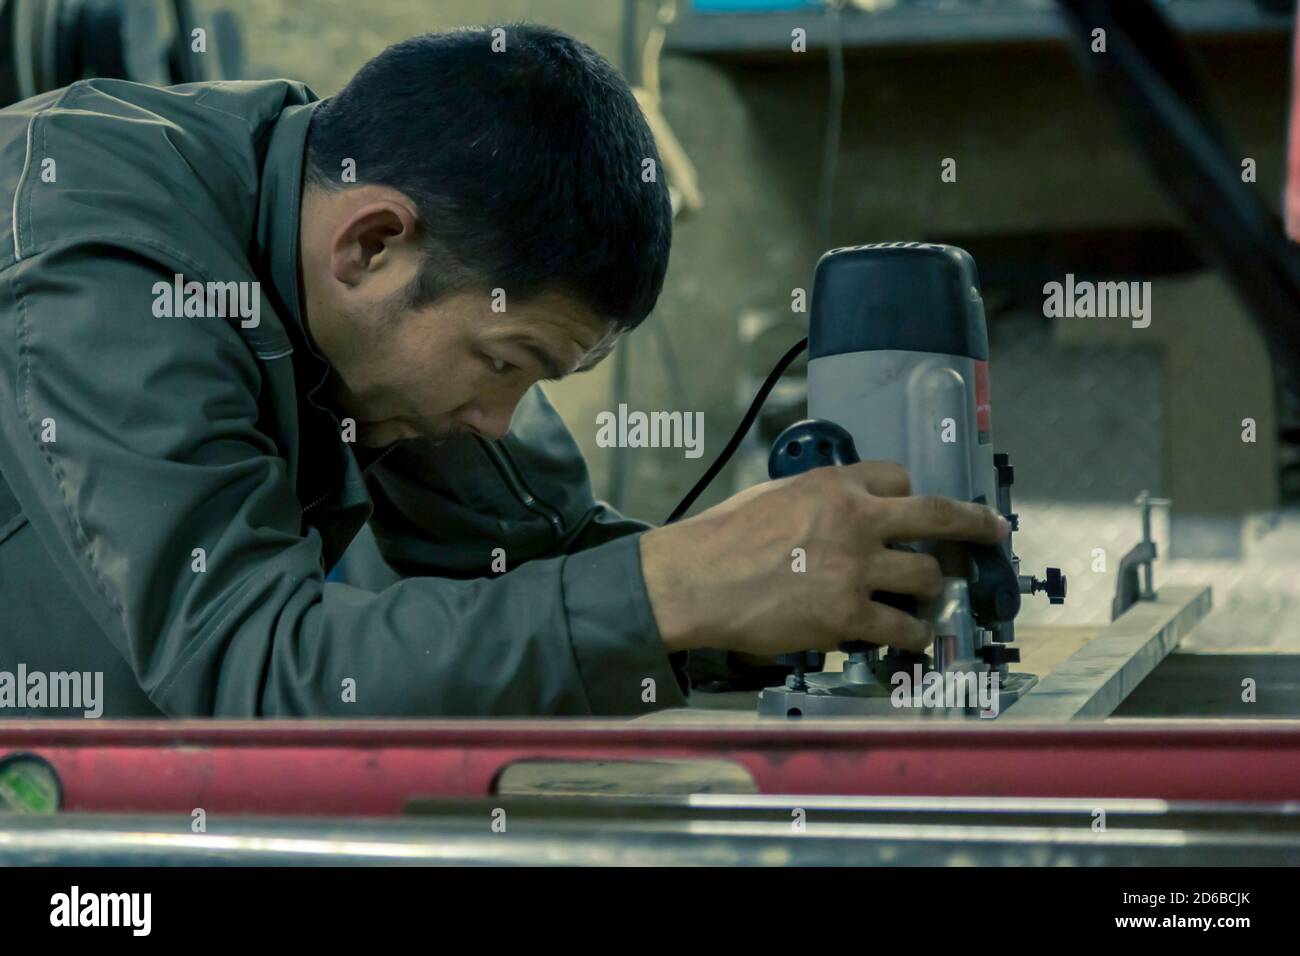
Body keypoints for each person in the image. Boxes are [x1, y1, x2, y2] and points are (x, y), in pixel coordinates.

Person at [0, 25, 1007, 718]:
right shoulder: (95, 250)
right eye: (504, 362)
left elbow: (536, 550)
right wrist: (675, 585)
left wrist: (774, 599)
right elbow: (254, 673)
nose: (496, 420)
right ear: (371, 245)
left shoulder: (332, 234)